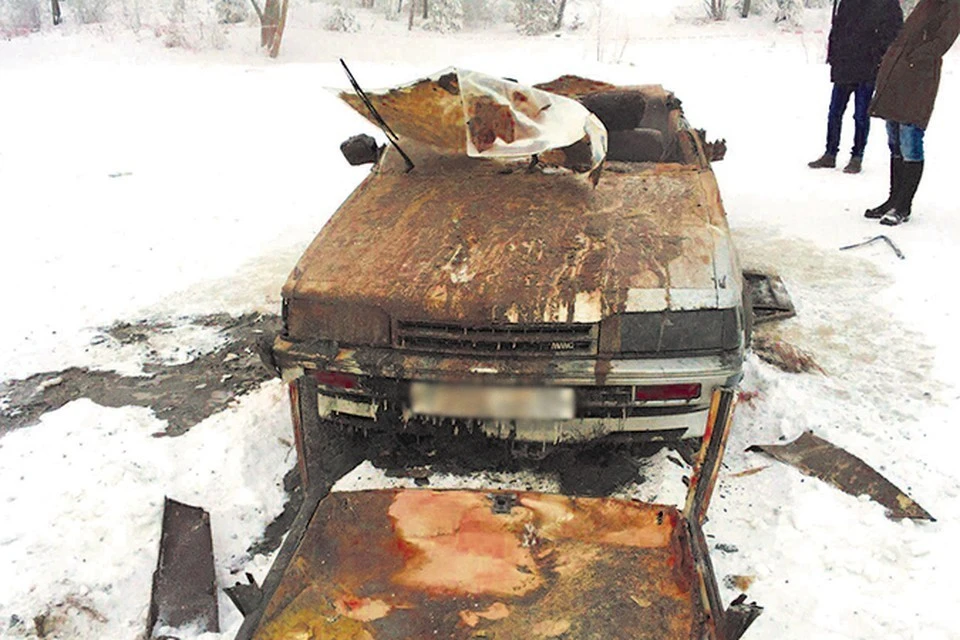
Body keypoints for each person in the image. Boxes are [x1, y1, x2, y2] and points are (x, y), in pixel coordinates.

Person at [866, 0, 960, 225]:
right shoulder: (925, 3)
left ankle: (903, 205)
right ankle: (893, 200)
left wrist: (915, 57)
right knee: (895, 140)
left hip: (918, 78)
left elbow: (942, 41)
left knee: (910, 139)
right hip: (897, 74)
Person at [808, 0, 903, 173]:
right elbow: (837, 27)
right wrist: (834, 56)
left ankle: (856, 157)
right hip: (844, 64)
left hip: (867, 67)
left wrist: (877, 56)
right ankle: (830, 154)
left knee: (861, 115)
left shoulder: (887, 4)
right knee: (834, 113)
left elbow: (894, 33)